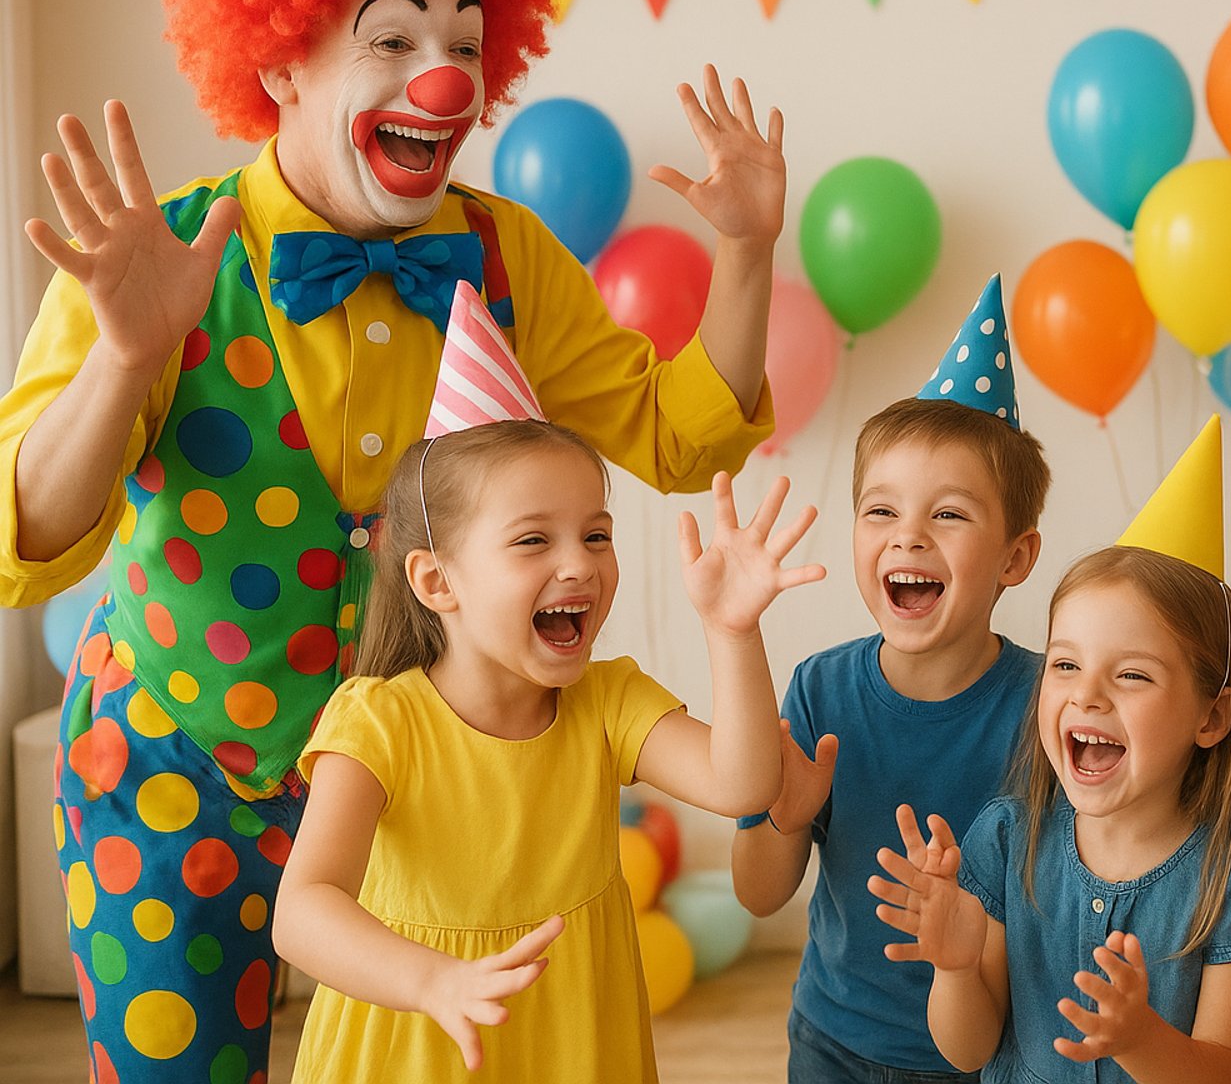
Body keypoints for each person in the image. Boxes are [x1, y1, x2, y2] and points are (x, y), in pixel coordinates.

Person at [4, 0, 784, 1079]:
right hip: (170, 766)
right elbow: (26, 546)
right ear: (278, 59)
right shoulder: (160, 259)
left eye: (468, 43)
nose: (448, 79)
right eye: (394, 38)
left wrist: (746, 259)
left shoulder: (507, 253)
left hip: (423, 782)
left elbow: (679, 439)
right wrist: (125, 360)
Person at [274, 283, 821, 1081]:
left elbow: (743, 785)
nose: (581, 563)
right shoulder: (379, 723)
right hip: (414, 1051)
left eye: (596, 533)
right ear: (436, 581)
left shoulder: (606, 703)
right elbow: (302, 912)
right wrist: (435, 982)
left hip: (570, 1049)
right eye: (533, 539)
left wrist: (732, 630)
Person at [872, 419, 1231, 1083]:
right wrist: (956, 969)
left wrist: (1140, 1039)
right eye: (1065, 665)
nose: (1088, 696)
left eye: (1131, 675)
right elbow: (968, 1050)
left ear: (1212, 715)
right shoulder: (1006, 837)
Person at [732, 277, 1050, 1081]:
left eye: (947, 514)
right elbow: (759, 897)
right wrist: (783, 818)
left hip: (989, 1054)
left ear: (1016, 557)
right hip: (834, 1040)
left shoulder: (1049, 706)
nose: (907, 537)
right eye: (881, 512)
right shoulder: (819, 691)